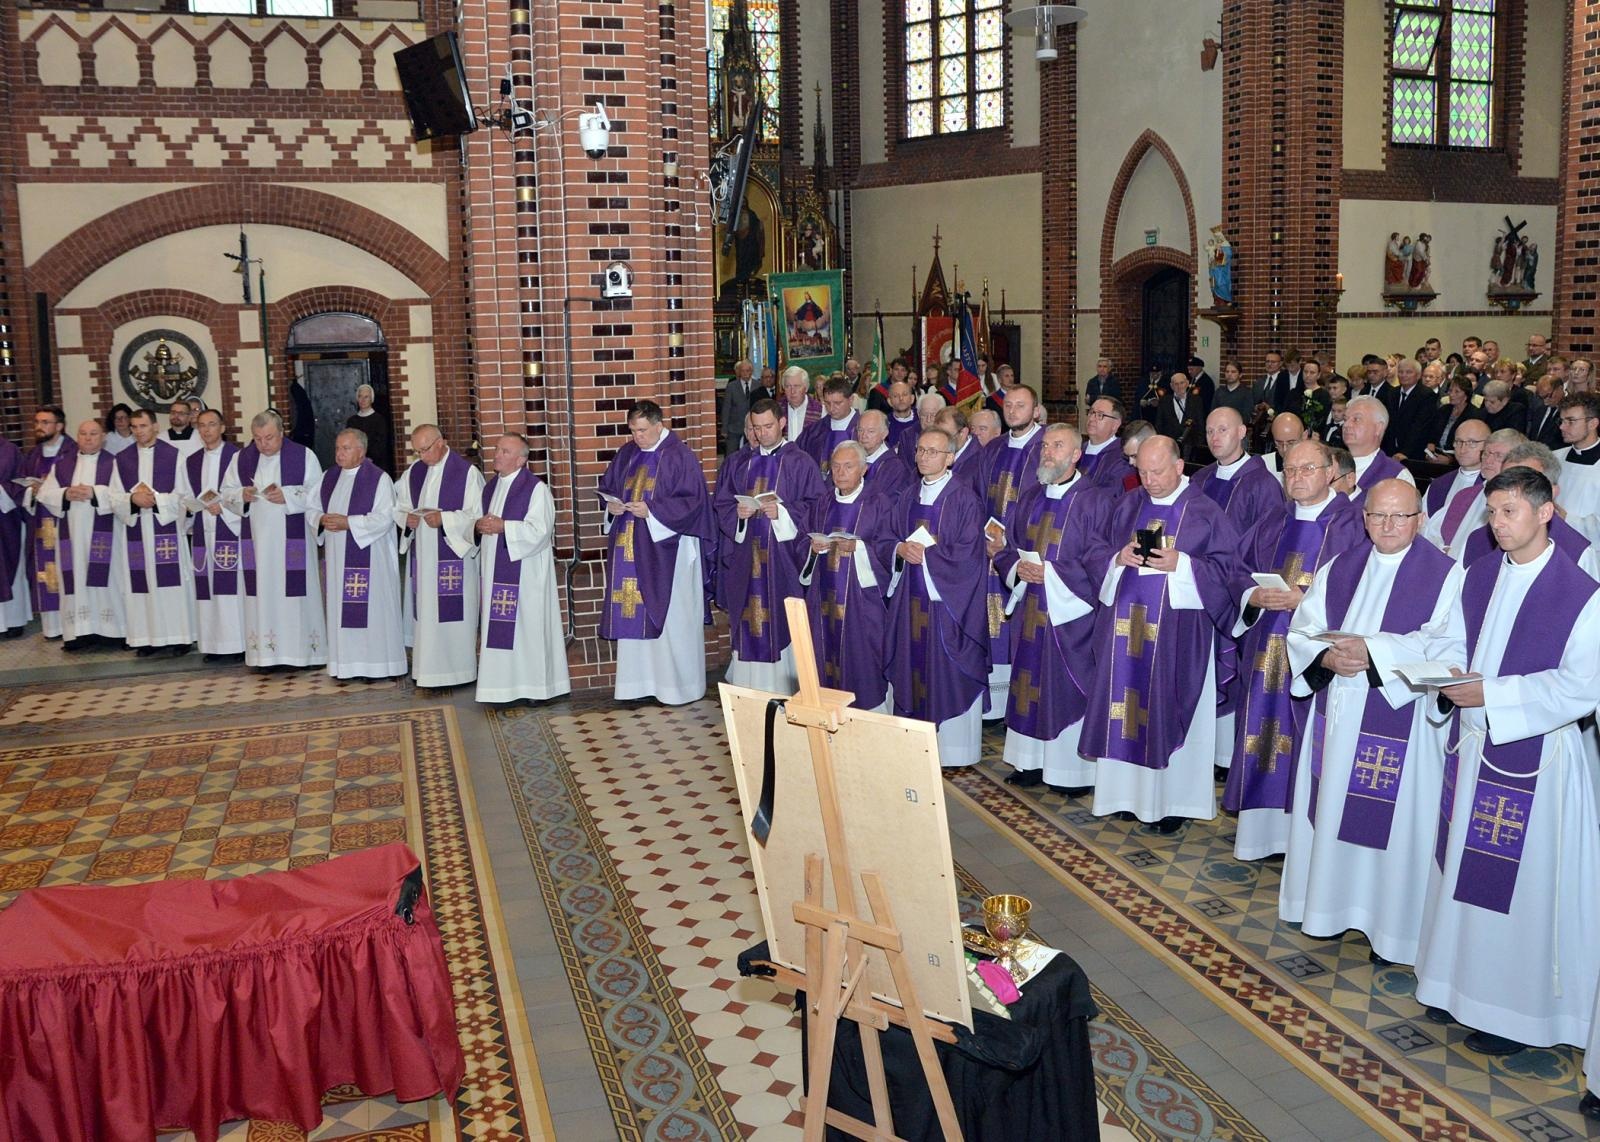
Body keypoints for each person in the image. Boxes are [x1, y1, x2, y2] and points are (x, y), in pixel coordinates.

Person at [1381, 467, 1600, 1057]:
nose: (1497, 524)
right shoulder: (1478, 574)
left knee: (1523, 890)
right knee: (1465, 874)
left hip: (1541, 767)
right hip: (1476, 750)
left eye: (1509, 512)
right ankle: (1461, 988)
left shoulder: (1582, 594)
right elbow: (1451, 638)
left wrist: (1493, 695)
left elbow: (1583, 686)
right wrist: (1451, 672)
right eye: (1493, 512)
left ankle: (1518, 1014)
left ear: (1545, 511)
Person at [1280, 479, 1462, 965]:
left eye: (1400, 517)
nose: (1387, 525)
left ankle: (1392, 929)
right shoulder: (1341, 567)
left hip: (1400, 718)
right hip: (1339, 715)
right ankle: (1329, 909)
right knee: (1334, 807)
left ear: (1419, 520)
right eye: (1377, 515)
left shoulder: (1446, 574)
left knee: (1397, 822)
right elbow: (1302, 630)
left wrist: (1374, 652)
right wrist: (1324, 659)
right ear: (1363, 518)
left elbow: (1449, 647)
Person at [1081, 436, 1243, 833]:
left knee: (1167, 707)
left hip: (1176, 639)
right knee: (1125, 709)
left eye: (1157, 472)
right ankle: (1122, 796)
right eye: (1142, 471)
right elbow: (1094, 550)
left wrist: (1184, 564)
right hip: (1125, 635)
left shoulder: (1204, 512)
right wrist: (1118, 558)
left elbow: (1229, 571)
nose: (1149, 480)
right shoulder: (1129, 504)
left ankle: (1174, 802)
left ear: (1179, 467)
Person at [1222, 440, 1363, 859]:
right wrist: (1252, 595)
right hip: (1265, 649)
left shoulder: (1351, 524)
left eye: (1307, 469)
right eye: (1290, 470)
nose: (1296, 477)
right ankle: (1262, 836)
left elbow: (1367, 589)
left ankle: (1303, 840)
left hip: (1318, 658)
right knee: (1262, 730)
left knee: (1306, 739)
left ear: (1330, 472)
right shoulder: (1273, 520)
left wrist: (1307, 601)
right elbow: (1235, 569)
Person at [993, 424, 1111, 793]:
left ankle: (1069, 773)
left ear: (1076, 455)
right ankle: (1029, 762)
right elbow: (1008, 545)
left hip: (1071, 617)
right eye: (1045, 445)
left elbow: (1100, 559)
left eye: (1057, 446)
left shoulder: (1094, 501)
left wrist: (1053, 575)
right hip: (1030, 608)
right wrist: (1016, 567)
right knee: (1028, 683)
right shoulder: (1029, 497)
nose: (1047, 452)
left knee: (1065, 686)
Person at [885, 427, 990, 766]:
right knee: (911, 665)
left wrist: (928, 557)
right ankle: (913, 742)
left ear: (950, 458)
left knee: (945, 670)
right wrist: (899, 549)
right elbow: (886, 538)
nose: (924, 456)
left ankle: (954, 751)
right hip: (909, 602)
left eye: (933, 451)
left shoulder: (964, 498)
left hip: (947, 607)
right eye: (920, 450)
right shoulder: (906, 495)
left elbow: (970, 556)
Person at [601, 401, 717, 706]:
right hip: (630, 548)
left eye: (642, 430)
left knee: (673, 619)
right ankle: (637, 684)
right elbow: (610, 487)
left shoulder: (680, 456)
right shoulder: (627, 453)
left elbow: (693, 503)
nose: (637, 437)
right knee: (633, 611)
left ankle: (677, 687)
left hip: (670, 552)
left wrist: (652, 512)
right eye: (633, 430)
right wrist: (612, 506)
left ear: (658, 425)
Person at [1194, 406, 1287, 772]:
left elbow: (1268, 543)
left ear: (1242, 432)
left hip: (1234, 596)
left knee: (1228, 671)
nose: (1215, 437)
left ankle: (1224, 757)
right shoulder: (1199, 479)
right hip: (1196, 591)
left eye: (1223, 430)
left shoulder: (1262, 484)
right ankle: (1200, 747)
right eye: (1210, 431)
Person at [714, 398, 825, 692]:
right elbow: (723, 503)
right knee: (750, 615)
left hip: (782, 561)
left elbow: (817, 506)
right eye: (756, 428)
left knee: (780, 617)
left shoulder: (800, 462)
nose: (761, 433)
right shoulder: (740, 463)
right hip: (746, 559)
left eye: (768, 427)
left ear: (782, 424)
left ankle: (785, 684)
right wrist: (738, 515)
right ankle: (747, 682)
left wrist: (784, 513)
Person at [221, 410, 327, 669]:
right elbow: (226, 493)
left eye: (268, 438)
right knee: (262, 594)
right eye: (257, 439)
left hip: (293, 542)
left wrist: (289, 496)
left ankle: (303, 654)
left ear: (281, 433)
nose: (263, 445)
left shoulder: (304, 456)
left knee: (295, 594)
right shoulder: (241, 458)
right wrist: (241, 494)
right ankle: (264, 656)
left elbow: (318, 492)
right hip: (256, 543)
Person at [799, 441, 895, 711]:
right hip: (823, 600)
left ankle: (869, 720)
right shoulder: (822, 503)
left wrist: (860, 548)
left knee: (862, 663)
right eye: (836, 467)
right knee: (824, 659)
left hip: (861, 604)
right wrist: (812, 548)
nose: (840, 473)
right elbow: (801, 540)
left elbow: (889, 548)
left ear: (863, 469)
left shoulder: (878, 503)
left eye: (848, 466)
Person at [473, 433, 569, 703]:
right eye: (497, 449)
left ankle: (535, 689)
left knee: (527, 629)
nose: (497, 454)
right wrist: (478, 526)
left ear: (521, 460)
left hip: (526, 574)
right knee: (499, 628)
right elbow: (479, 522)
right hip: (495, 572)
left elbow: (540, 531)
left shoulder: (535, 489)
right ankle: (500, 688)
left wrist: (504, 526)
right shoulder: (491, 488)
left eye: (505, 451)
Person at [305, 427, 404, 681]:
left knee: (373, 611)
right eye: (337, 448)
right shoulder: (328, 478)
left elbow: (384, 518)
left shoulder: (378, 479)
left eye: (346, 448)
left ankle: (377, 666)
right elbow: (311, 507)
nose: (339, 454)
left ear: (361, 451)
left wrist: (349, 523)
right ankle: (346, 666)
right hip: (338, 559)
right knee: (341, 608)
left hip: (371, 557)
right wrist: (321, 518)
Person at [395, 424, 482, 688]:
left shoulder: (467, 473)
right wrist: (406, 518)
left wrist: (444, 518)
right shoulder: (414, 472)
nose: (421, 456)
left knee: (452, 614)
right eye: (417, 451)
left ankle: (459, 671)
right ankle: (427, 670)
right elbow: (398, 506)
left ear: (441, 442)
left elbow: (476, 515)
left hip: (453, 557)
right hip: (423, 557)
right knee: (427, 613)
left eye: (425, 449)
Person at [110, 408, 196, 657]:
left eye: (143, 426)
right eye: (134, 427)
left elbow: (184, 496)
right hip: (137, 530)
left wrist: (157, 499)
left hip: (164, 528)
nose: (138, 432)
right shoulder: (122, 459)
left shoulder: (174, 456)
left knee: (170, 584)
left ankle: (179, 637)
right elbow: (113, 497)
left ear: (155, 427)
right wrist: (133, 498)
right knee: (142, 584)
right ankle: (145, 638)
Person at [34, 419, 125, 650]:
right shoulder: (63, 465)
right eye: (83, 433)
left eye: (93, 433)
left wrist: (94, 493)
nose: (88, 438)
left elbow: (121, 496)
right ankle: (79, 633)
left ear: (102, 436)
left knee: (107, 580)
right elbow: (45, 494)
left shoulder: (113, 463)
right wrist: (65, 494)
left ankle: (111, 633)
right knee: (74, 580)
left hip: (104, 533)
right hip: (71, 535)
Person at [185, 409, 244, 661]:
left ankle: (237, 643)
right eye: (202, 426)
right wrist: (195, 504)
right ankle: (213, 644)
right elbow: (184, 494)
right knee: (207, 587)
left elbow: (244, 493)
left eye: (212, 424)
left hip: (228, 528)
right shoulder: (191, 461)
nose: (207, 430)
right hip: (202, 530)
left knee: (231, 587)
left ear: (222, 427)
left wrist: (226, 507)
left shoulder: (238, 456)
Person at [21, 406, 75, 638]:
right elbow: (22, 488)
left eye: (45, 422)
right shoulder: (34, 455)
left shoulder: (73, 451)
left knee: (69, 568)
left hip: (66, 521)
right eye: (37, 422)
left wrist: (52, 491)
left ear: (59, 426)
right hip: (42, 523)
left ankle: (73, 625)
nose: (39, 426)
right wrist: (32, 492)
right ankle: (53, 627)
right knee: (45, 571)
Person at [1421, 419, 1489, 556]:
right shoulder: (1439, 486)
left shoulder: (1492, 488)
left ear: (1488, 446)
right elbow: (1422, 526)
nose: (1463, 449)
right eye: (1458, 442)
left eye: (1472, 443)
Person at [1340, 396, 1412, 502]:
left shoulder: (1397, 476)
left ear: (1378, 428)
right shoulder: (1330, 465)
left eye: (1356, 419)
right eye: (1345, 419)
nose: (1346, 425)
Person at [1552, 392, 1600, 520]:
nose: (1562, 427)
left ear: (1592, 424)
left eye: (1571, 421)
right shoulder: (1554, 458)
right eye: (1561, 421)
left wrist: (1567, 519)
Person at [798, 375, 859, 474]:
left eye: (837, 403)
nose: (831, 408)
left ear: (851, 400)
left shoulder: (864, 430)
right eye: (827, 403)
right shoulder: (814, 431)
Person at [0, 432, 28, 637]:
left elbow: (20, 482)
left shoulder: (9, 451)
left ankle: (13, 620)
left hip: (6, 519)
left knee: (11, 569)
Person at [1379, 359, 1435, 460]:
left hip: (1412, 453)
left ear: (1418, 375)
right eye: (1401, 372)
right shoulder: (1392, 393)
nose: (1403, 375)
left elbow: (1419, 426)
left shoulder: (1426, 395)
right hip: (1390, 450)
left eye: (1408, 372)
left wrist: (1405, 452)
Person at [855, 410, 914, 500]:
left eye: (871, 431)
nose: (863, 435)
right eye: (860, 430)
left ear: (884, 434)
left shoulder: (895, 468)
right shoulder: (851, 457)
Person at [1079, 397, 1133, 492]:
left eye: (1100, 415)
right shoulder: (1076, 450)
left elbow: (1113, 495)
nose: (1091, 418)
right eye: (1091, 412)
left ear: (1115, 424)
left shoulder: (1123, 457)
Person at [721, 359, 767, 456]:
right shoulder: (731, 386)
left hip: (754, 428)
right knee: (731, 455)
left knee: (752, 454)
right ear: (739, 372)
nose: (745, 373)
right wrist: (724, 428)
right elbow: (726, 408)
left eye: (748, 370)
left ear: (751, 371)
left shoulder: (758, 385)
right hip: (734, 428)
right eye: (743, 370)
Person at [346, 383, 394, 476]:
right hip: (355, 464)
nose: (363, 400)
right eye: (360, 396)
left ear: (372, 399)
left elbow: (381, 444)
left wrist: (368, 458)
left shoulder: (380, 420)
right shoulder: (352, 421)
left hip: (376, 463)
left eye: (366, 397)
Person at [1154, 371, 1202, 462]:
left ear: (1187, 383)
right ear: (1171, 386)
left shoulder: (1196, 401)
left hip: (1190, 447)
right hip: (1169, 446)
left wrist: (1198, 444)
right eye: (1176, 384)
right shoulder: (1164, 401)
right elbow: (1159, 424)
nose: (1179, 387)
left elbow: (1200, 424)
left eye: (1182, 383)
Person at [779, 366, 822, 443]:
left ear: (806, 388)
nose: (792, 391)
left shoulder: (821, 411)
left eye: (797, 386)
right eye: (788, 386)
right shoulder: (776, 410)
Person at [885, 379, 921, 459]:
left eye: (904, 394)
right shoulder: (884, 423)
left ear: (912, 399)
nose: (901, 398)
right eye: (895, 396)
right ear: (889, 401)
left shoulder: (922, 419)